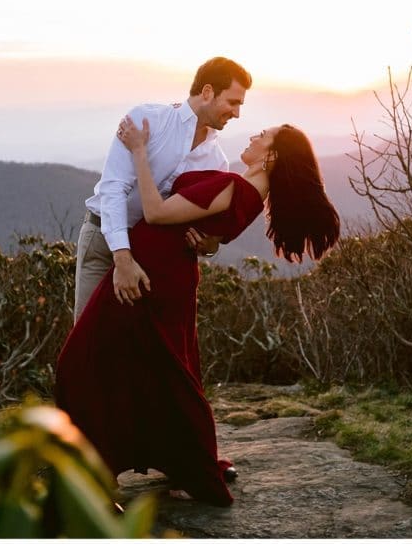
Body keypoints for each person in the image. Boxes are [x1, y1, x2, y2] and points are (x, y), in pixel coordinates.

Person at [55, 116, 341, 506]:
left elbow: (155, 212)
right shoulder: (250, 191)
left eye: (262, 135)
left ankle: (102, 470)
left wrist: (139, 150)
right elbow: (211, 235)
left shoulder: (234, 186)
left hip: (148, 277)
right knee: (159, 371)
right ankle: (157, 460)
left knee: (83, 362)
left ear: (272, 155)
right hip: (164, 276)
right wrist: (208, 241)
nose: (253, 135)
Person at [73, 56, 252, 322]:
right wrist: (122, 259)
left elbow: (204, 227)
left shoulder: (217, 161)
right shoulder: (146, 120)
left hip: (153, 257)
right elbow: (113, 189)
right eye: (233, 102)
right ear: (207, 92)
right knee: (86, 345)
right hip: (103, 242)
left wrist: (210, 244)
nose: (237, 113)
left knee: (132, 352)